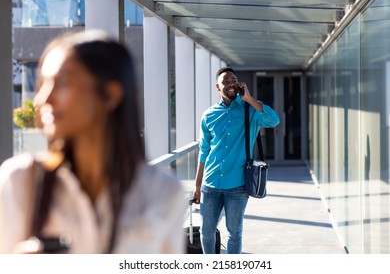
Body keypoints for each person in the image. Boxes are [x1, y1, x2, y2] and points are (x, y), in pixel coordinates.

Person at [0, 30, 185, 254]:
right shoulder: (20, 180)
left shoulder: (163, 193)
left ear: (110, 95)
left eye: (62, 83)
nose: (43, 99)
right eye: (43, 84)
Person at [193, 67, 280, 254]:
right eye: (226, 81)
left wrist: (248, 98)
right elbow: (204, 151)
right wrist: (197, 185)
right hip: (211, 183)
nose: (231, 84)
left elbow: (274, 120)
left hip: (238, 186)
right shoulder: (208, 115)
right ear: (218, 86)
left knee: (235, 233)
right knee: (206, 232)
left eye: (234, 80)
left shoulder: (251, 110)